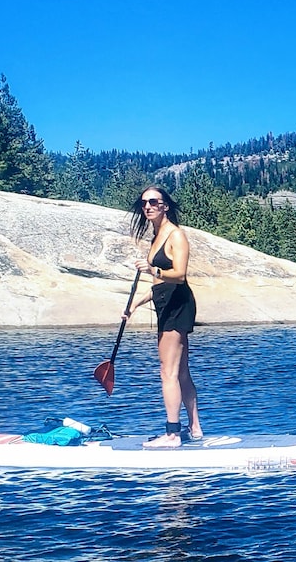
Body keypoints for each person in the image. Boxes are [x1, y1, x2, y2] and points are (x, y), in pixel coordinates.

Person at [125, 186, 203, 448]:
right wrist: (137, 302)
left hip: (178, 306)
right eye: (144, 202)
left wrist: (151, 269)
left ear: (165, 206)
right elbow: (161, 283)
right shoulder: (157, 235)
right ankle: (195, 429)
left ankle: (172, 434)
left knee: (167, 371)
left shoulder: (175, 236)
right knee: (180, 371)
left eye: (154, 202)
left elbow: (178, 276)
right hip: (166, 303)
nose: (147, 206)